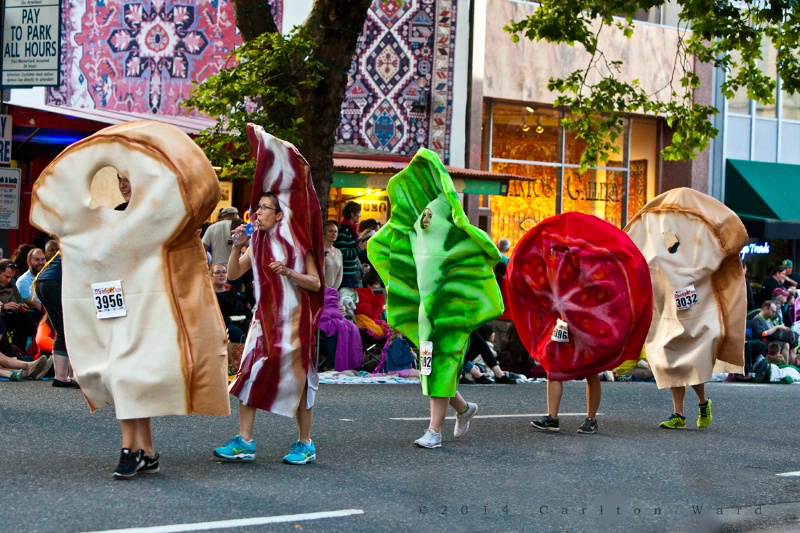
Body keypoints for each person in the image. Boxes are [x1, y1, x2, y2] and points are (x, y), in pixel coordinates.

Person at [367, 149, 504, 450]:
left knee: (439, 367)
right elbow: (386, 246)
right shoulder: (415, 232)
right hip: (427, 315)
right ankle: (465, 409)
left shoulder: (451, 227)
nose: (424, 213)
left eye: (431, 209)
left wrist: (447, 215)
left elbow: (487, 248)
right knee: (430, 371)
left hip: (451, 314)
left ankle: (434, 431)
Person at [214, 126, 324, 466]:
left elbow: (316, 283)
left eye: (264, 208)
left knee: (300, 379)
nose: (256, 212)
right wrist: (236, 247)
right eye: (257, 207)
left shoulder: (296, 243)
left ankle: (305, 442)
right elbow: (234, 274)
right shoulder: (257, 241)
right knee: (249, 372)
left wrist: (288, 273)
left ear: (279, 215)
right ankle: (245, 441)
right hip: (263, 321)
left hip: (294, 323)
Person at [34, 251, 79, 389]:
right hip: (56, 282)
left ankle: (61, 377)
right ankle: (77, 377)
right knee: (74, 328)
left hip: (42, 282)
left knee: (62, 330)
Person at [210, 263, 252, 343]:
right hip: (224, 325)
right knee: (237, 333)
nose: (221, 275)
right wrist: (230, 320)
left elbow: (245, 307)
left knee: (252, 326)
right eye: (218, 272)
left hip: (241, 320)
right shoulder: (210, 295)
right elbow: (212, 317)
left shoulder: (233, 290)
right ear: (211, 276)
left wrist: (244, 316)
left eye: (224, 272)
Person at [0, 259, 34, 353]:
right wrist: (4, 307)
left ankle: (18, 350)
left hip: (7, 317)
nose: (8, 280)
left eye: (11, 277)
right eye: (6, 277)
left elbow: (19, 300)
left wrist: (21, 307)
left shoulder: (11, 284)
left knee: (26, 318)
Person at [334, 201, 363, 289]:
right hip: (344, 274)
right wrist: (359, 248)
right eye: (359, 213)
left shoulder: (351, 230)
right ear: (352, 214)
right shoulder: (344, 231)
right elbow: (342, 252)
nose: (360, 215)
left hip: (350, 273)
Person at [16, 248, 46, 316]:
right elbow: (32, 302)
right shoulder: (23, 281)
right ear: (29, 262)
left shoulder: (47, 278)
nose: (41, 262)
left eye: (43, 259)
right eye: (37, 260)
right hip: (37, 318)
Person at [322, 220, 343, 289]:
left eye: (335, 231)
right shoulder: (319, 251)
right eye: (330, 231)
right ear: (324, 234)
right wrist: (326, 289)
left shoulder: (338, 252)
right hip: (320, 290)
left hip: (333, 291)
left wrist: (333, 290)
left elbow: (340, 274)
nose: (334, 233)